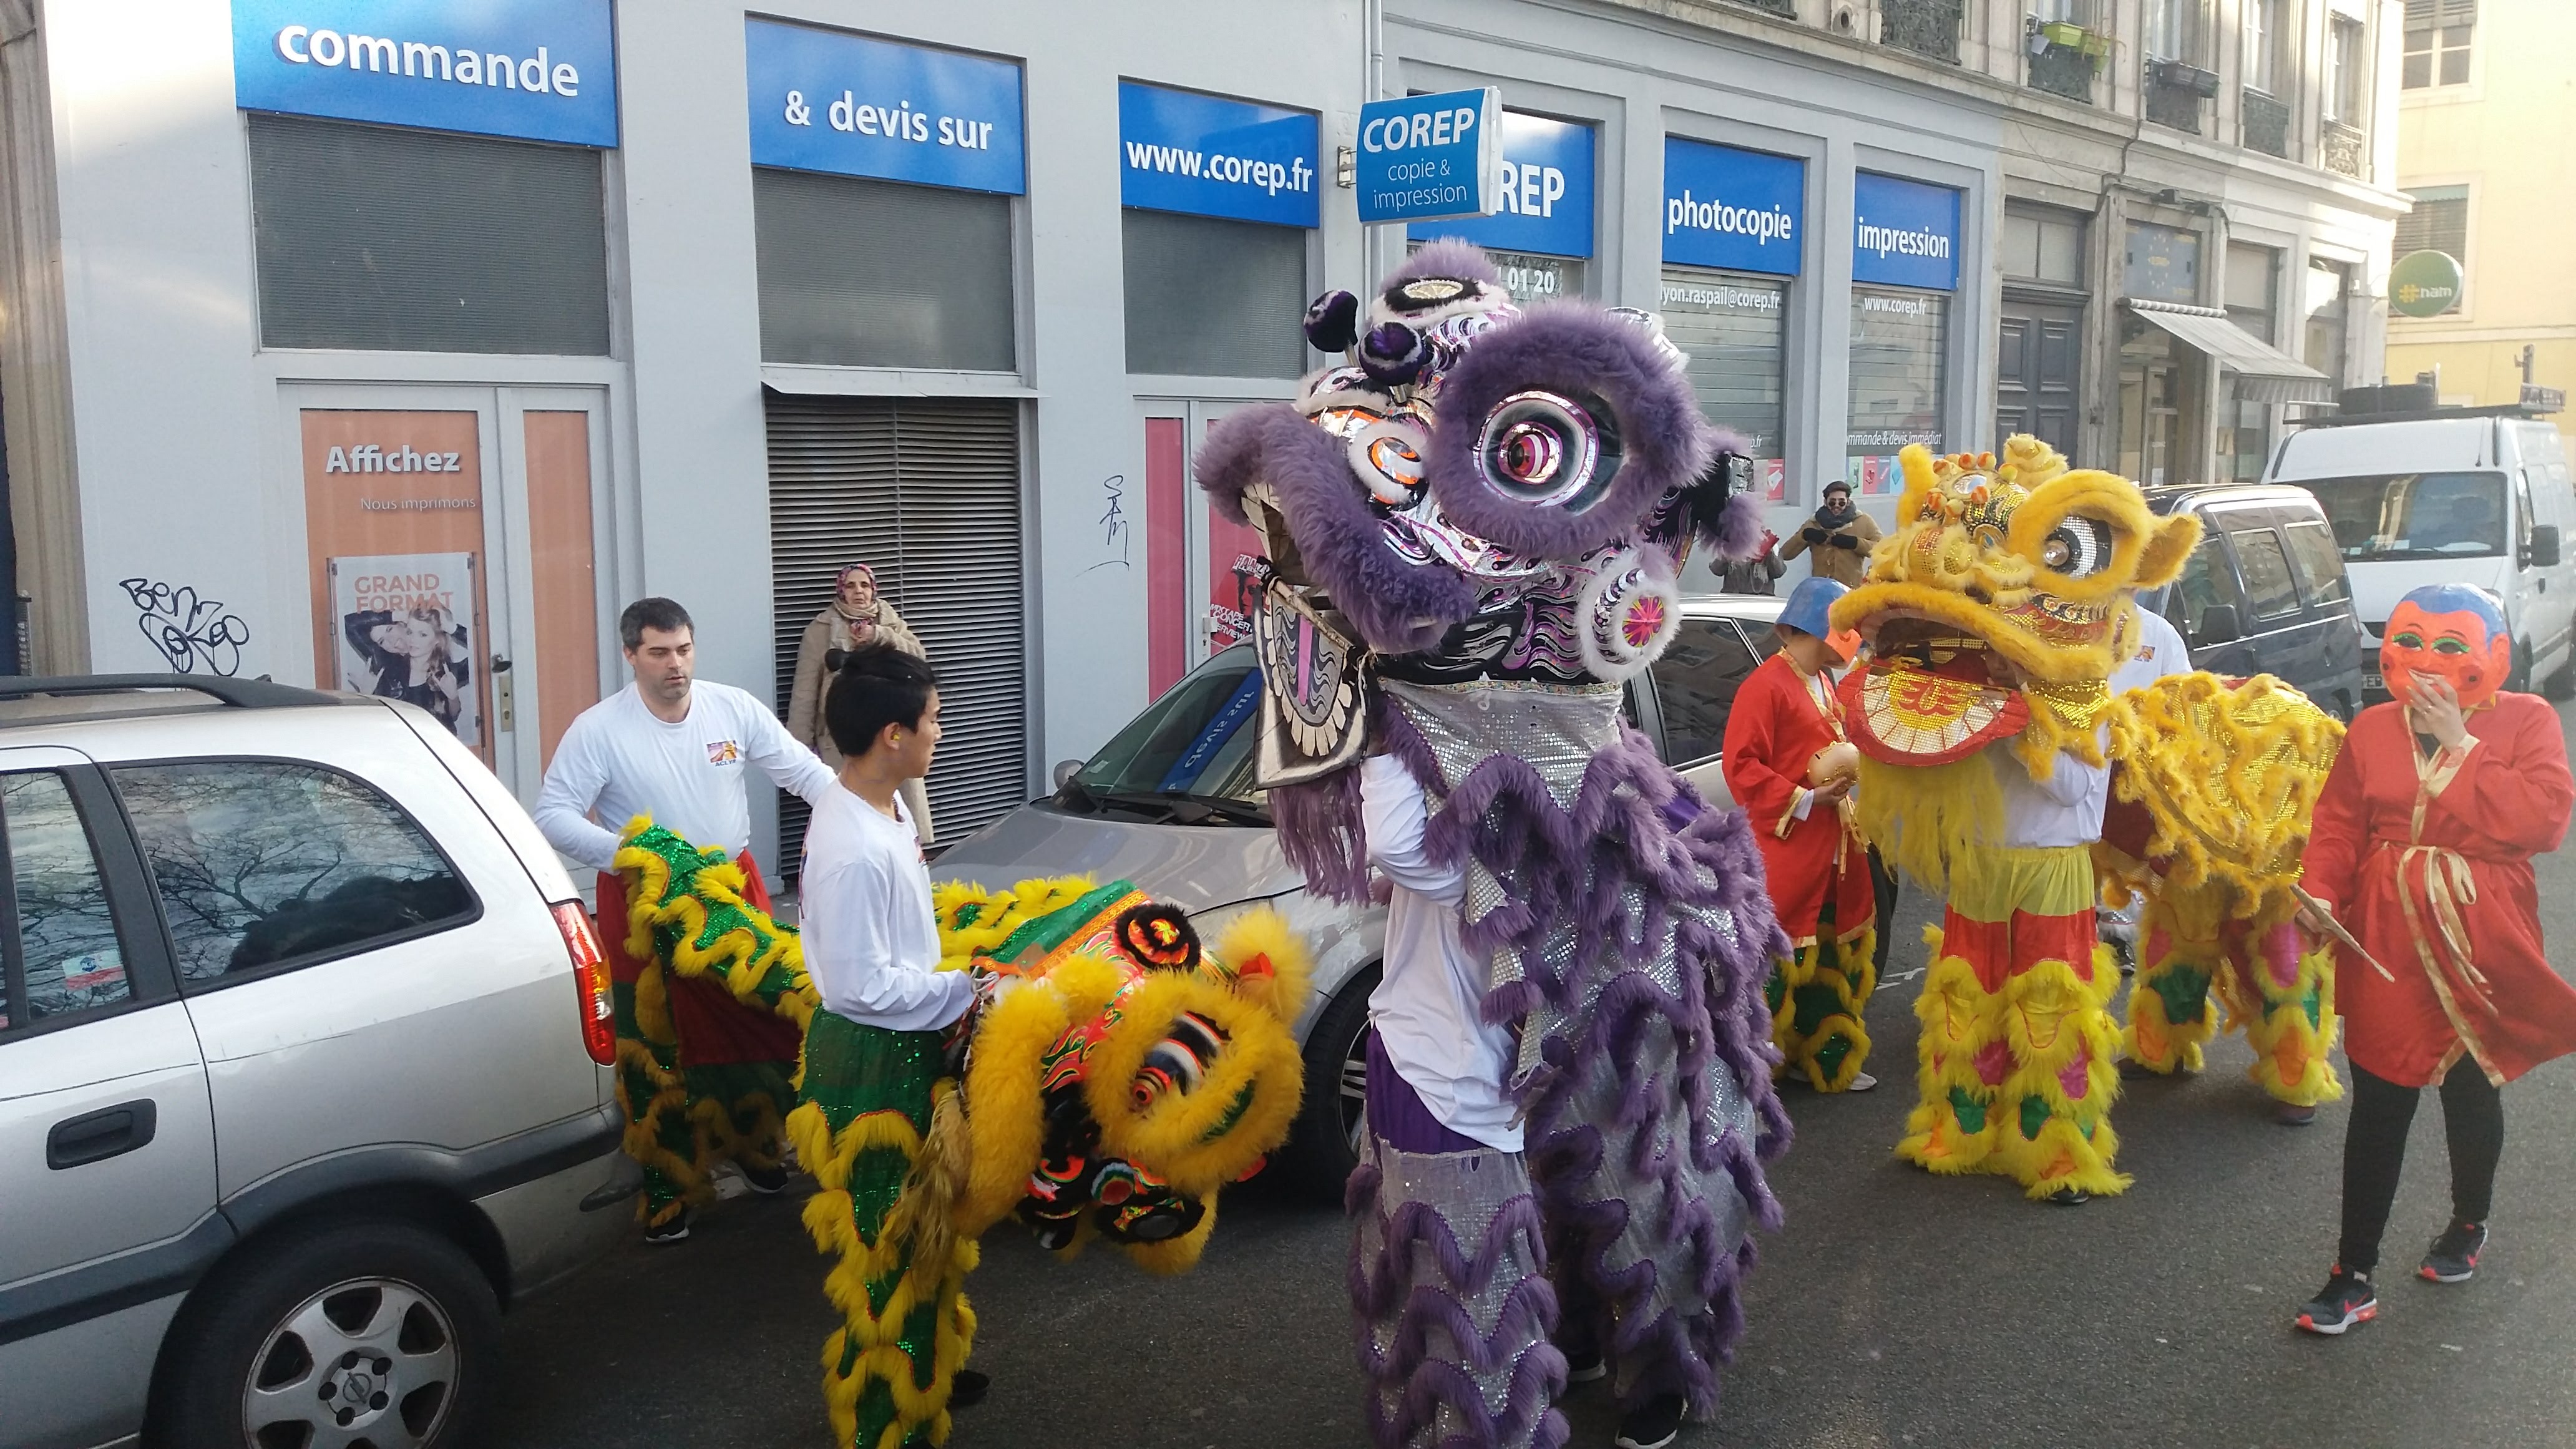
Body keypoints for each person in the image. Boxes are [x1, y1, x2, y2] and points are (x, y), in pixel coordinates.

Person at [2291, 584, 2576, 1335]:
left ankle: (2469, 1221)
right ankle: (2353, 1275)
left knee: (2471, 1087)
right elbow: (2338, 824)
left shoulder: (2527, 720)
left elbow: (2544, 821)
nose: (2426, 660)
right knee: (2381, 1099)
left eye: (2450, 646)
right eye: (2410, 641)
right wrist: (2320, 889)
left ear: (2494, 654)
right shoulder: (2371, 728)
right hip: (2387, 934)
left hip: (2484, 932)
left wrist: (2460, 743)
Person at [534, 596, 838, 1242]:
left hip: (732, 891)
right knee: (658, 1046)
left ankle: (756, 1149)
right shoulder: (598, 729)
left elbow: (802, 771)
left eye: (684, 649)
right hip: (645, 904)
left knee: (758, 1021)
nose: (676, 664)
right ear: (630, 655)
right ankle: (670, 1185)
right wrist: (635, 854)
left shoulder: (733, 708)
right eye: (659, 653)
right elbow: (553, 815)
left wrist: (866, 811)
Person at [794, 642, 990, 1440]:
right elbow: (860, 988)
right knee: (885, 1252)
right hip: (873, 1063)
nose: (941, 732)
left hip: (910, 1044)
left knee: (927, 1231)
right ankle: (884, 1421)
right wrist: (968, 987)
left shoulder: (886, 806)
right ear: (893, 736)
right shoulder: (852, 848)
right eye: (933, 719)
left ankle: (925, 1364)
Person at [1349, 749, 1564, 1449]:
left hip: (1452, 1082)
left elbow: (1396, 846)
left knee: (1469, 1294)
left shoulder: (1498, 847)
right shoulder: (1474, 809)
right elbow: (1393, 861)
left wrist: (1381, 732)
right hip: (1413, 1054)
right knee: (1418, 1270)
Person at [1724, 577, 1879, 1092]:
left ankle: (1826, 1056)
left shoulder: (1823, 681)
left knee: (1830, 952)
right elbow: (1741, 767)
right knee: (1777, 961)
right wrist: (1807, 798)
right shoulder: (1765, 686)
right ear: (1823, 626)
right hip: (1788, 848)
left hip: (1833, 845)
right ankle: (1757, 1072)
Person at [789, 564, 935, 844]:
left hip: (895, 731)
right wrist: (799, 748)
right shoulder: (820, 630)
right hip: (845, 736)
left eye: (865, 585)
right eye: (851, 586)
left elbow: (918, 657)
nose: (859, 592)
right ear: (841, 591)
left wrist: (879, 636)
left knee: (900, 813)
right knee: (851, 814)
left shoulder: (891, 622)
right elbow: (805, 691)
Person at [1778, 480, 1880, 588]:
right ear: (1825, 502)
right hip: (1821, 590)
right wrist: (1804, 536)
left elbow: (1884, 551)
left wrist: (1855, 543)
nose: (1837, 506)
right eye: (1832, 502)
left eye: (1841, 502)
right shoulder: (1814, 523)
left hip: (1850, 592)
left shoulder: (1863, 521)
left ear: (1848, 501)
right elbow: (1785, 555)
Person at [1720, 528, 1787, 595]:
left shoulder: (1770, 542)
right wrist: (1728, 552)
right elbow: (1717, 570)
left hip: (1761, 598)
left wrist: (1769, 552)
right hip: (1733, 596)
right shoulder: (1731, 542)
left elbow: (1778, 572)